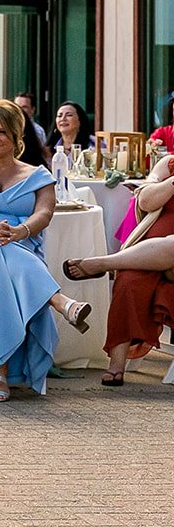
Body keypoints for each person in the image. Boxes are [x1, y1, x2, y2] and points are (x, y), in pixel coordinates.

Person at [0, 100, 93, 402]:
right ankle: (60, 301)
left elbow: (44, 214)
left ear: (16, 136)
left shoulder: (38, 175)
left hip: (20, 244)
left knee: (0, 258)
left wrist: (20, 231)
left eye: (1, 132)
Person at [64, 152, 174, 385]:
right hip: (147, 257)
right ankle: (117, 365)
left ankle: (106, 262)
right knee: (129, 280)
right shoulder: (169, 163)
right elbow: (145, 201)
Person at [14, 92, 50, 159]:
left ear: (32, 110)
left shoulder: (38, 131)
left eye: (24, 107)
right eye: (16, 106)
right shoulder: (7, 128)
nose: (20, 110)